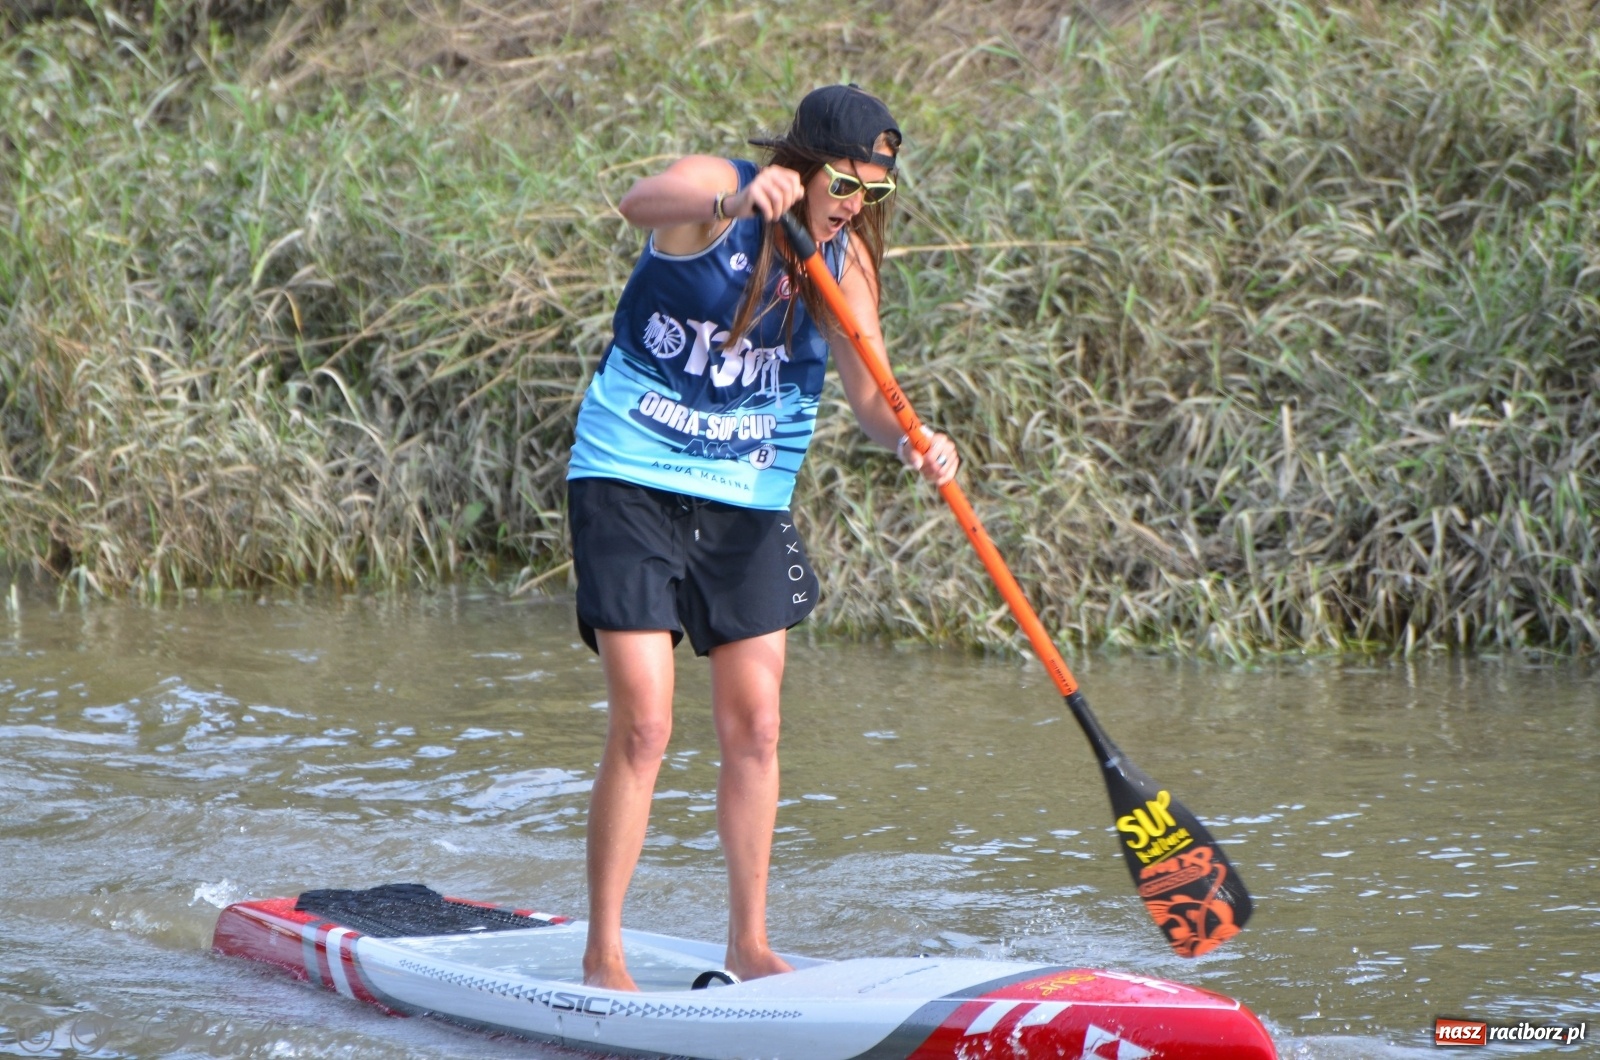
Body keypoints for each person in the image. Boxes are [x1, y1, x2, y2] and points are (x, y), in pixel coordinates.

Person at [565, 84, 959, 992]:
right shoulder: (721, 192)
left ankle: (748, 944)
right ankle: (603, 956)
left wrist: (915, 440)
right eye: (845, 186)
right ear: (804, 164)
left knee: (759, 723)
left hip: (744, 494)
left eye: (876, 195)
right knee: (647, 723)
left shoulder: (845, 265)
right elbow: (637, 202)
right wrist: (736, 205)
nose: (856, 206)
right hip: (629, 475)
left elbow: (870, 398)